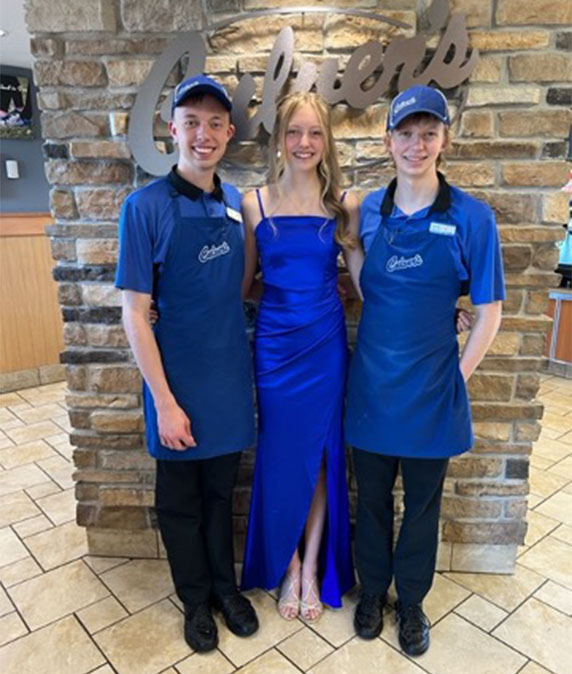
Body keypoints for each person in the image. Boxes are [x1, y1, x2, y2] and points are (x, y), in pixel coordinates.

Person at [345, 85, 505, 656]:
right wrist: (351, 250)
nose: (417, 145)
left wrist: (455, 376)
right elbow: (369, 289)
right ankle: (371, 593)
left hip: (434, 391)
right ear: (388, 141)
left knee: (423, 504)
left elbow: (489, 311)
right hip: (371, 388)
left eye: (428, 133)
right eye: (406, 134)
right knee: (368, 499)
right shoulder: (368, 211)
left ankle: (410, 603)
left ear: (444, 140)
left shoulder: (472, 217)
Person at [115, 75, 259, 653]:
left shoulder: (237, 205)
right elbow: (133, 314)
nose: (204, 134)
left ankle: (226, 588)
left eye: (215, 123)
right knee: (181, 503)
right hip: (174, 383)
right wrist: (166, 403)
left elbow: (244, 286)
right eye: (191, 122)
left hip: (227, 379)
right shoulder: (143, 208)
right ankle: (195, 600)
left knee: (223, 496)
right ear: (172, 128)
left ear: (228, 132)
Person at [240, 92, 362, 622]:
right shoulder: (254, 203)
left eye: (314, 133)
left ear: (326, 140)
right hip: (273, 347)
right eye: (294, 132)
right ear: (279, 140)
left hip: (325, 347)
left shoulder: (344, 204)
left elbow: (364, 283)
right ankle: (286, 564)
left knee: (319, 457)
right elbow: (246, 285)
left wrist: (437, 312)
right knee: (277, 454)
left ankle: (310, 567)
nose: (304, 143)